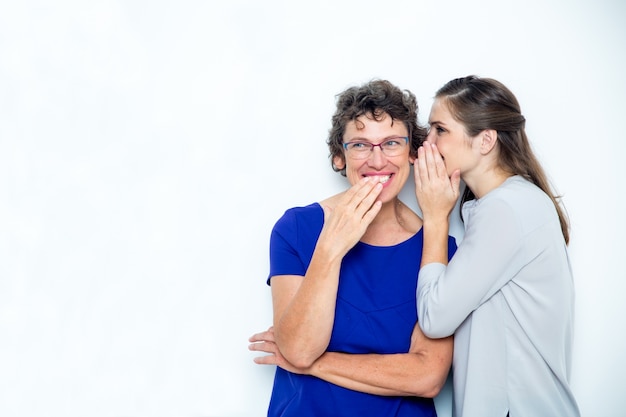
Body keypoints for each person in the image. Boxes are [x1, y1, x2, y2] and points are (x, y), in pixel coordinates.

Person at [248, 79, 458, 417]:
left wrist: (314, 365)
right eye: (360, 145)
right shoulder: (297, 229)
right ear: (339, 157)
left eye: (391, 143)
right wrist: (332, 246)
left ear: (413, 153)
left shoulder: (438, 246)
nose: (377, 160)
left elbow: (427, 376)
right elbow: (301, 348)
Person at [413, 75, 580, 417]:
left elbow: (435, 316)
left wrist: (434, 218)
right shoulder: (510, 203)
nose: (426, 144)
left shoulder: (505, 209)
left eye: (439, 130)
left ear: (485, 140)